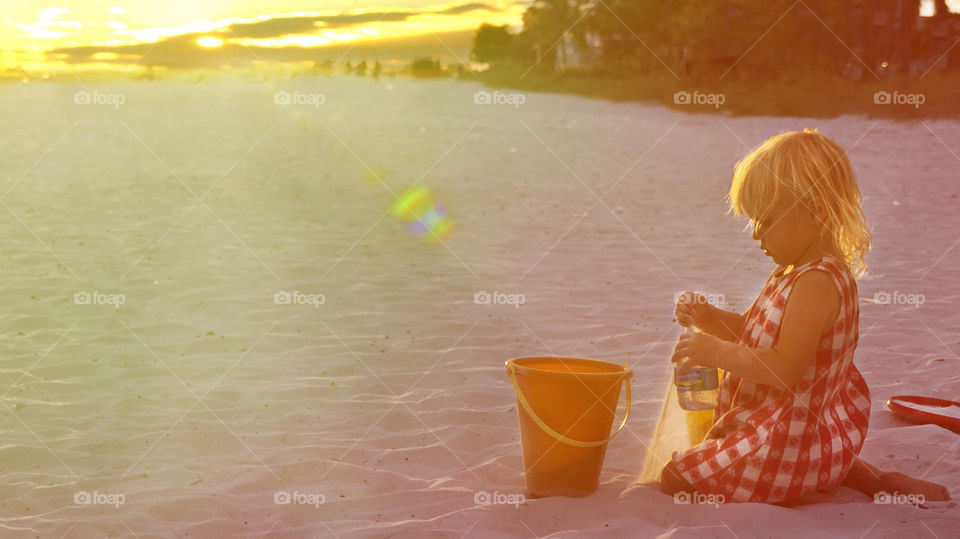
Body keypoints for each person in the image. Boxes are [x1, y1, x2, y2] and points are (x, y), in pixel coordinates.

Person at [660, 128, 951, 504]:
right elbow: (748, 334)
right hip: (808, 434)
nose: (755, 235)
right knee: (774, 451)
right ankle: (871, 478)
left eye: (765, 221)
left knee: (676, 477)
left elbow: (784, 368)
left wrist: (715, 354)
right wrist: (708, 317)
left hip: (787, 439)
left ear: (815, 211)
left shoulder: (817, 283)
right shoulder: (793, 270)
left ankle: (815, 475)